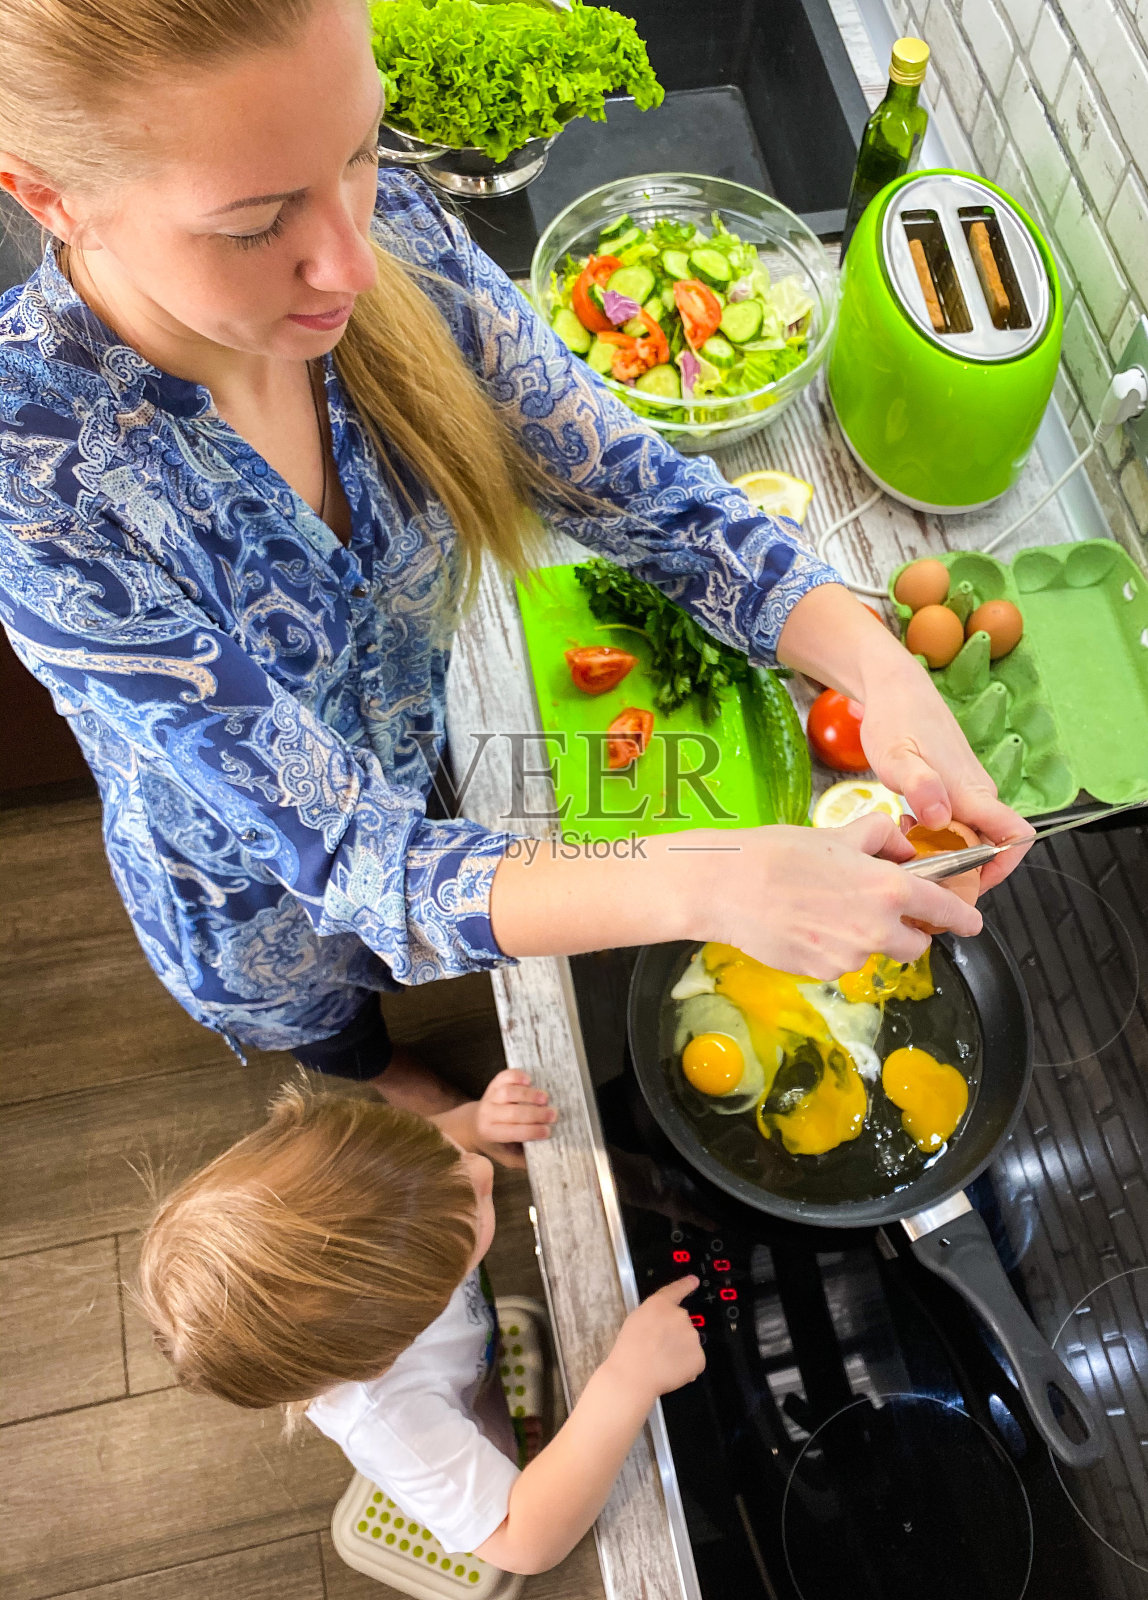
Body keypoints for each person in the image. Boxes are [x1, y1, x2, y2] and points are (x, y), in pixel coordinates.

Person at [0, 0, 1029, 1114]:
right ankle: (382, 1077)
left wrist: (875, 666)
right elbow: (357, 859)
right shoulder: (38, 482)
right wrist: (722, 879)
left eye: (356, 149)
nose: (351, 261)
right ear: (49, 194)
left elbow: (640, 490)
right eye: (255, 222)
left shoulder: (396, 229)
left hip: (414, 745)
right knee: (320, 1015)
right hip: (246, 883)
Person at [137, 1074, 703, 1574]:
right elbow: (525, 1545)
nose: (480, 1167)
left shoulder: (392, 1225)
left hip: (466, 1375)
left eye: (443, 1157)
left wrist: (469, 1123)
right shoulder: (394, 1421)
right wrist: (626, 1381)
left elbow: (418, 1152)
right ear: (387, 1353)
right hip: (448, 1408)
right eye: (467, 1208)